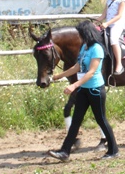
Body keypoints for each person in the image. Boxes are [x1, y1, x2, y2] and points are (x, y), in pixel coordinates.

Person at [48, 20, 119, 161]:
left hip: (95, 90)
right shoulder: (85, 47)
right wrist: (58, 76)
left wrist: (74, 85)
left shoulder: (97, 48)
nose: (79, 36)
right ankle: (65, 151)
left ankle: (113, 150)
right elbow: (77, 67)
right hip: (84, 90)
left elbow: (91, 72)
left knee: (101, 120)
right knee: (76, 120)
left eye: (80, 33)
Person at [96, 0, 125, 75]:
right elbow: (103, 15)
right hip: (108, 24)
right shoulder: (109, 0)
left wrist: (107, 23)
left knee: (113, 39)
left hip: (117, 24)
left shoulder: (122, 0)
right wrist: (95, 22)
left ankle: (119, 64)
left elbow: (119, 15)